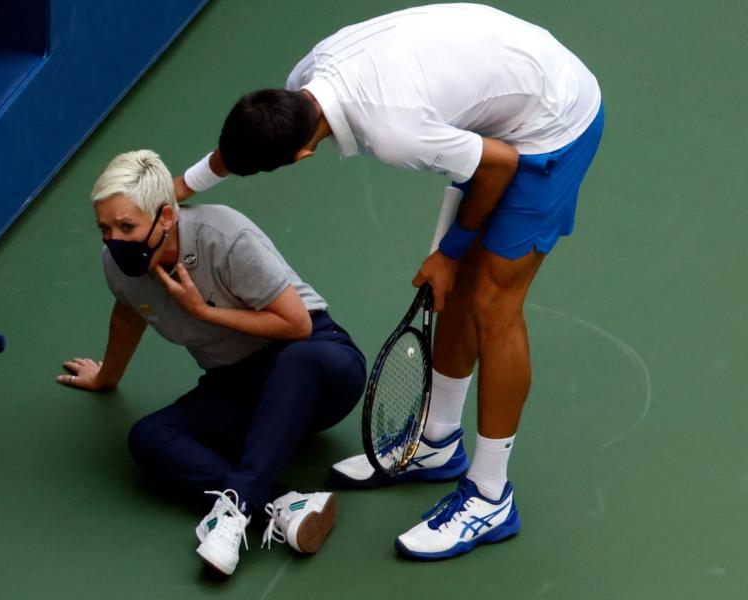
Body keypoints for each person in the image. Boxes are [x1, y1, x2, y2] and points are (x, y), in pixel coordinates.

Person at [171, 4, 605, 560]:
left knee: (492, 304)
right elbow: (241, 152)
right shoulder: (303, 84)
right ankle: (437, 441)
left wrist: (449, 252)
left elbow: (497, 165)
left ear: (303, 154)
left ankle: (491, 495)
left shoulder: (395, 133)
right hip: (496, 89)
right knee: (454, 293)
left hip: (550, 120)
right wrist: (181, 186)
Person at [57, 150, 366, 576]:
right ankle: (283, 503)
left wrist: (205, 313)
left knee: (298, 362)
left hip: (319, 366)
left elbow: (296, 325)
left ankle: (236, 509)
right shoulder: (119, 265)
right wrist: (106, 377)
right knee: (148, 437)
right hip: (239, 384)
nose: (115, 240)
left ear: (165, 217)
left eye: (126, 226)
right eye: (105, 228)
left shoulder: (224, 236)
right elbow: (128, 314)